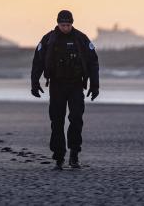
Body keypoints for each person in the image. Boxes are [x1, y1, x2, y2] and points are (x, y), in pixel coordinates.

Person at [31, 10, 100, 170]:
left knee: (76, 119)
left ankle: (74, 154)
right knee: (57, 121)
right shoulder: (48, 39)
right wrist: (35, 83)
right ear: (57, 23)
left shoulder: (81, 39)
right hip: (56, 86)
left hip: (76, 85)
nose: (65, 28)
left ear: (72, 23)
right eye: (62, 25)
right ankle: (59, 157)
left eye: (68, 25)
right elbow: (38, 62)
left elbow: (93, 63)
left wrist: (94, 86)